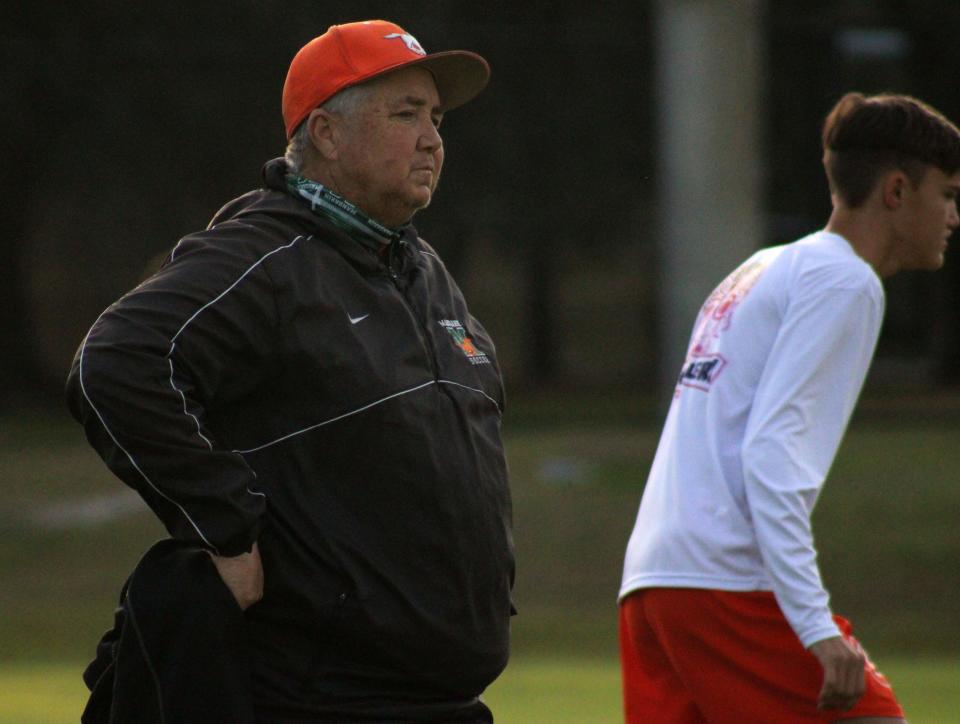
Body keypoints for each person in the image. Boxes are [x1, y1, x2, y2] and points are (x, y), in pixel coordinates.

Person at [67, 20, 514, 723]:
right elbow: (117, 361)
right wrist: (222, 523)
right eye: (405, 115)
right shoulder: (265, 256)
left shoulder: (423, 274)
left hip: (446, 698)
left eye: (435, 117)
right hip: (318, 698)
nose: (432, 138)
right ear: (328, 135)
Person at [618, 92, 960, 723]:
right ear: (896, 191)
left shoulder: (761, 268)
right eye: (946, 193)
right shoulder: (845, 283)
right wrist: (814, 624)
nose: (953, 215)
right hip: (727, 584)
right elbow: (772, 456)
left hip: (653, 586)